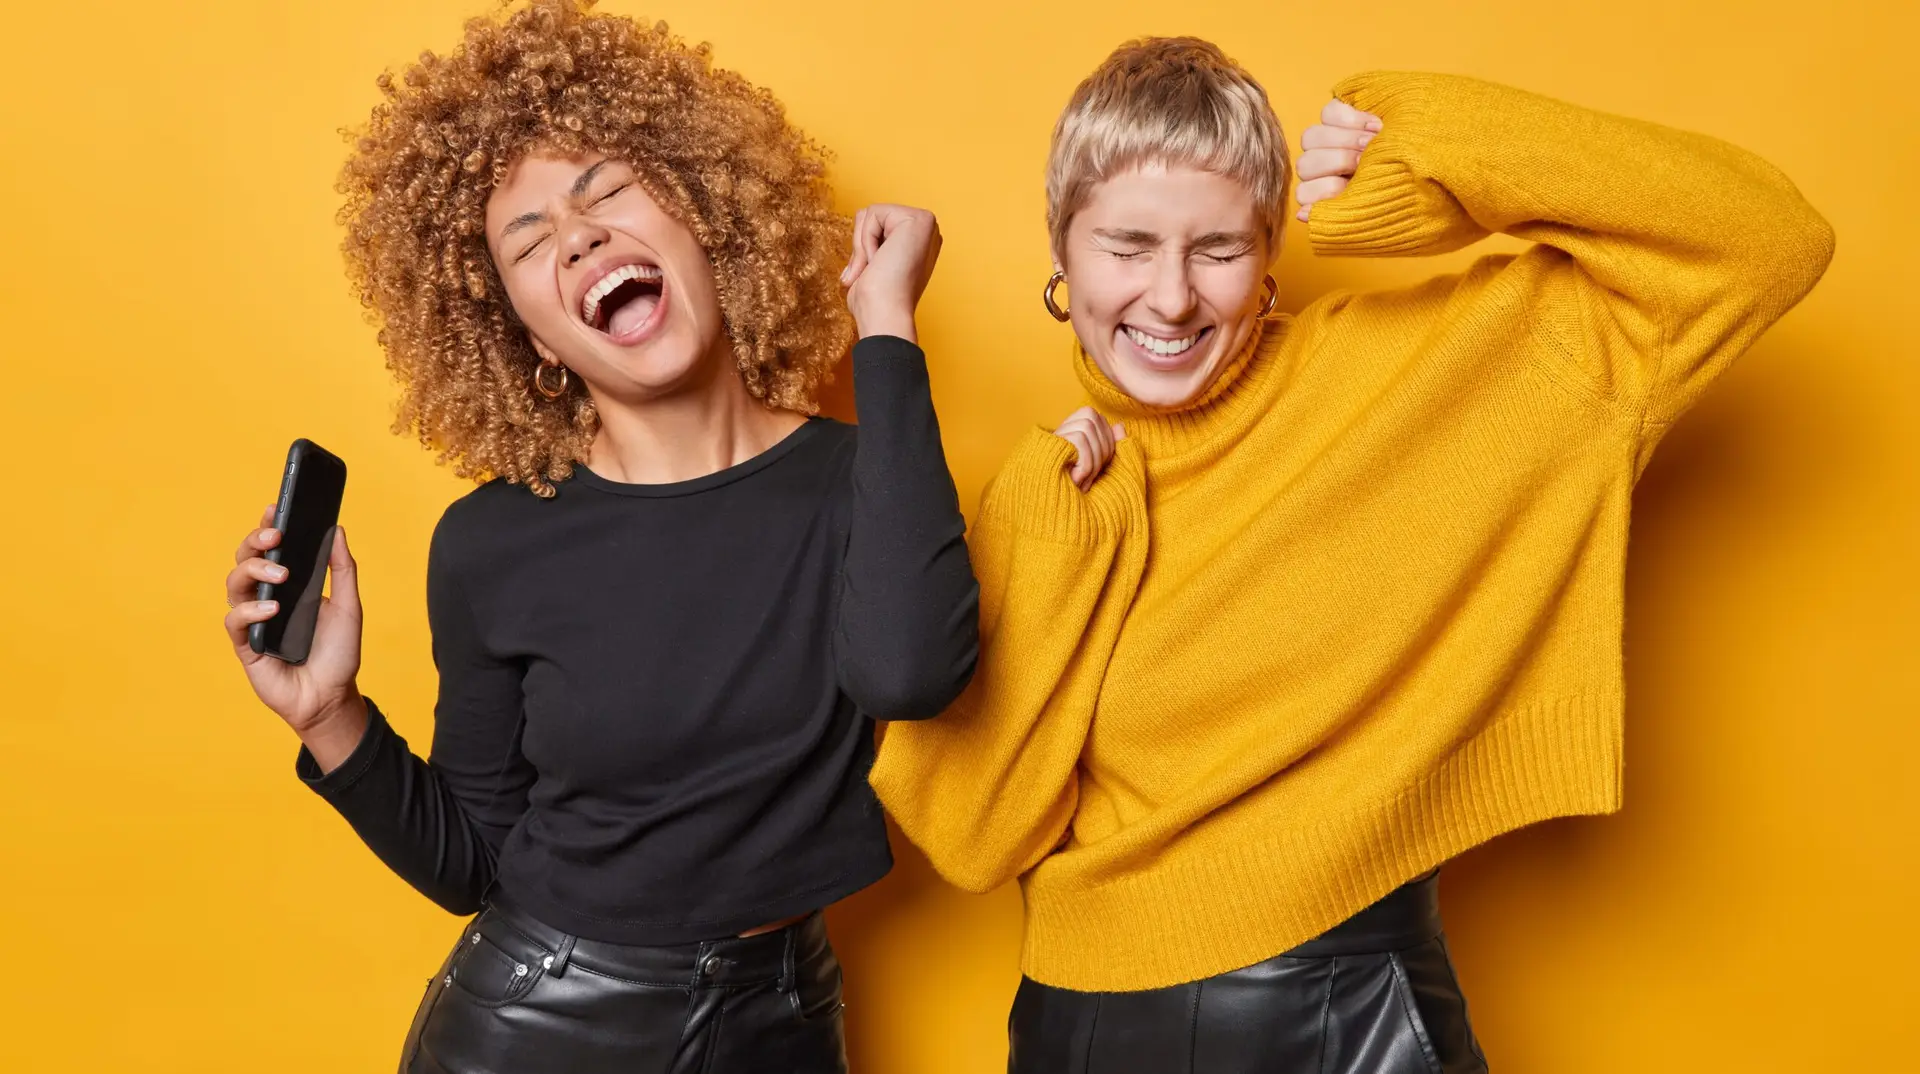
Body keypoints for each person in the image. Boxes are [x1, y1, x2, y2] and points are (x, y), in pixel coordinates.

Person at [870, 37, 1833, 1072]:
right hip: (1086, 1029)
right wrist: (1054, 532)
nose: (1172, 297)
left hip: (1346, 1013)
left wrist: (1435, 143)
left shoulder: (1417, 378)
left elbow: (1768, 240)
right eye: (1128, 244)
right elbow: (967, 836)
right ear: (1062, 250)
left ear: (1272, 249)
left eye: (1218, 249)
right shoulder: (1054, 490)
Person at [218, 2, 978, 1071]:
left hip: (784, 1021)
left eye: (607, 191)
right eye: (529, 244)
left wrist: (889, 329)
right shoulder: (492, 544)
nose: (577, 237)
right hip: (537, 1027)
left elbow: (911, 672)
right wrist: (330, 715)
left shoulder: (864, 481)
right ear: (526, 333)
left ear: (706, 211)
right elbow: (474, 863)